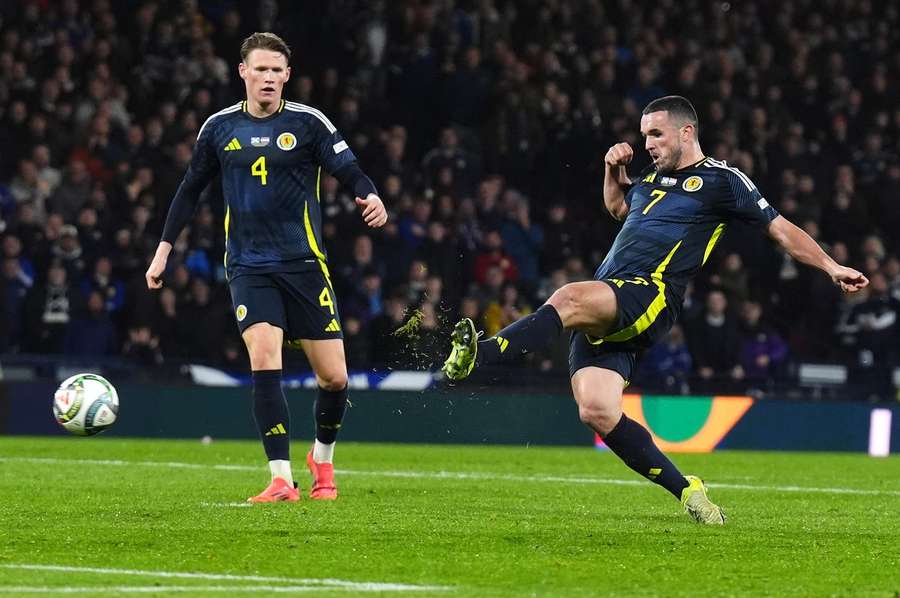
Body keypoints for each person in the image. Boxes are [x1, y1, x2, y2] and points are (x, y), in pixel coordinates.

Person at [442, 96, 868, 524]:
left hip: (651, 293)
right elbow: (617, 209)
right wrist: (612, 171)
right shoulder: (649, 178)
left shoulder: (724, 181)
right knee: (597, 411)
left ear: (687, 132)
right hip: (611, 298)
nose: (647, 142)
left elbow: (780, 229)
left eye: (656, 134)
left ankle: (481, 353)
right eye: (644, 134)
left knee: (568, 297)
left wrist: (831, 266)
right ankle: (689, 491)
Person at [146, 33, 387, 503]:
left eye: (277, 70)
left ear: (287, 76)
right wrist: (163, 249)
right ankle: (280, 477)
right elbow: (189, 189)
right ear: (243, 73)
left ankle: (322, 458)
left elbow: (349, 169)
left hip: (304, 266)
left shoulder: (309, 123)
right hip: (249, 265)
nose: (269, 78)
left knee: (335, 377)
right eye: (260, 69)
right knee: (263, 355)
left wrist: (371, 193)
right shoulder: (218, 129)